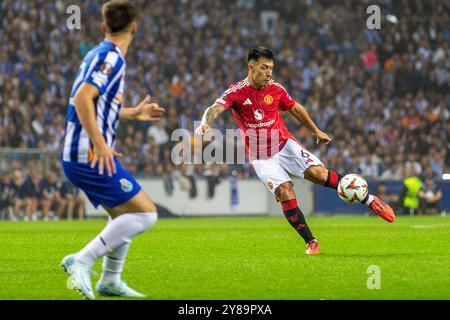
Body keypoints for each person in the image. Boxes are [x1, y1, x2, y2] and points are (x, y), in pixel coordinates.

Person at [195, 47, 395, 255]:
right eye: (264, 68)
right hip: (262, 157)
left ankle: (370, 200)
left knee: (319, 175)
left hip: (285, 145)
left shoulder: (276, 89)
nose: (269, 73)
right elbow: (214, 109)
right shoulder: (236, 92)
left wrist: (316, 130)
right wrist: (205, 124)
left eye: (271, 68)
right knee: (286, 191)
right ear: (251, 67)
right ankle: (311, 242)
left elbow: (296, 109)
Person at [60, 0, 165, 300]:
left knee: (124, 216)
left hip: (80, 153)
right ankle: (82, 260)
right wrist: (100, 144)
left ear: (103, 27)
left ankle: (110, 280)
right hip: (88, 155)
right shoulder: (112, 58)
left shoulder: (97, 53)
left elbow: (95, 105)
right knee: (146, 215)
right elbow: (82, 99)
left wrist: (131, 113)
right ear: (135, 26)